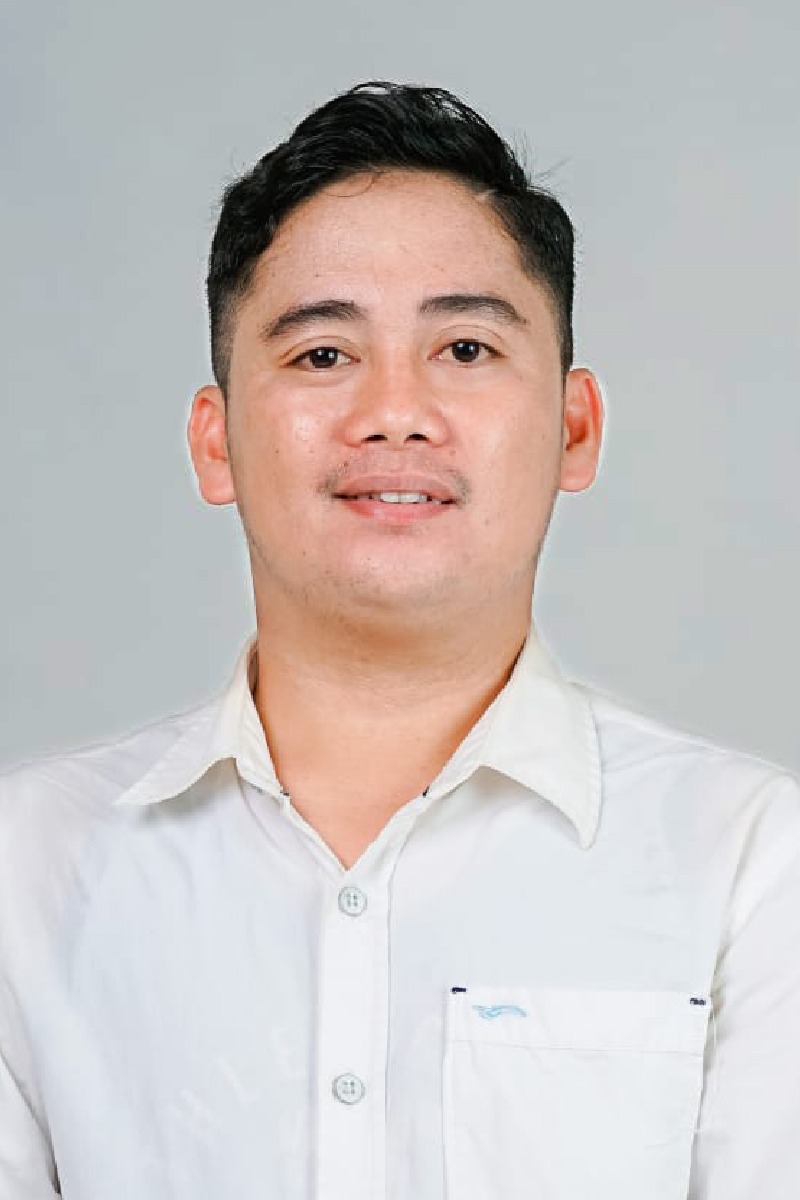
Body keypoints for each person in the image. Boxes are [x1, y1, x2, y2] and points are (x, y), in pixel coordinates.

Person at [1, 81, 798, 1200]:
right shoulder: (28, 867)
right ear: (215, 442)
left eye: (465, 348)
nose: (394, 411)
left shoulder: (754, 866)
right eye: (322, 355)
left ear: (574, 427)